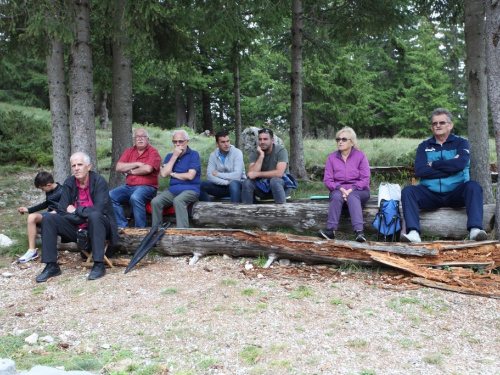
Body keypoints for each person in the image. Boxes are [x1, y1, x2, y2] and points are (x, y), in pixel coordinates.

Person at [400, 108, 487, 243]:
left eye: (441, 122)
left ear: (450, 125)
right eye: (434, 123)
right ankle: (413, 233)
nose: (438, 125)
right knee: (408, 191)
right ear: (431, 127)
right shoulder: (424, 146)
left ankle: (475, 230)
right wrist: (451, 167)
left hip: (455, 193)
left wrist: (433, 164)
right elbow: (420, 171)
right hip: (430, 194)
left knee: (473, 186)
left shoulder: (461, 143)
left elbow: (460, 164)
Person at [35, 152, 119, 282]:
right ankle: (51, 265)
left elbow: (99, 209)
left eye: (80, 164)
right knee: (48, 218)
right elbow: (62, 210)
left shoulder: (99, 181)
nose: (76, 168)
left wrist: (75, 210)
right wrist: (82, 217)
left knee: (95, 216)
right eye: (73, 165)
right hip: (77, 227)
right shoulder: (69, 183)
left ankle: (98, 264)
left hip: (100, 227)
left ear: (89, 166)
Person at [318, 127, 370, 242]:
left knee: (353, 196)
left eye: (344, 139)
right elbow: (328, 180)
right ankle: (331, 231)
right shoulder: (331, 157)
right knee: (336, 196)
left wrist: (351, 189)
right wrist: (340, 188)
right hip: (339, 190)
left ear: (352, 142)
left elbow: (365, 179)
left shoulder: (361, 156)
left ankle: (359, 232)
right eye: (338, 139)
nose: (340, 141)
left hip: (359, 191)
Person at [109, 129, 162, 228]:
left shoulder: (153, 152)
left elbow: (147, 169)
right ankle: (122, 226)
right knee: (110, 195)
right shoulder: (129, 152)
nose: (140, 138)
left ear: (147, 139)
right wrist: (136, 164)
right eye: (137, 136)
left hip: (148, 188)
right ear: (134, 139)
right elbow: (119, 167)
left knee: (136, 197)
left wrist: (130, 171)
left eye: (143, 136)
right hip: (129, 187)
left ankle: (140, 229)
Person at [151, 130, 201, 228]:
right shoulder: (170, 156)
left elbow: (190, 176)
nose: (177, 144)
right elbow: (164, 174)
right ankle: (156, 231)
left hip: (190, 189)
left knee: (178, 201)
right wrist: (174, 156)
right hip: (172, 191)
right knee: (155, 202)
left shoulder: (193, 155)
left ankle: (182, 233)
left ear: (187, 141)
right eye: (175, 142)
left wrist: (173, 174)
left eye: (180, 141)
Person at [16, 171, 63, 262]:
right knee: (32, 220)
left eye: (42, 188)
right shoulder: (49, 191)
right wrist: (29, 210)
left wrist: (56, 211)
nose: (42, 190)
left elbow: (67, 205)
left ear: (48, 184)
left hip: (60, 215)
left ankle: (36, 251)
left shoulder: (63, 190)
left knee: (32, 218)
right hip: (50, 214)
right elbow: (47, 203)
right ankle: (34, 251)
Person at [242, 128, 291, 204]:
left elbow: (279, 173)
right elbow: (251, 174)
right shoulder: (255, 152)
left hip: (281, 187)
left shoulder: (281, 150)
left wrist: (257, 174)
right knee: (247, 182)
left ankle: (282, 211)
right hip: (262, 188)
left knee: (274, 180)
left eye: (265, 139)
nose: (262, 142)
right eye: (260, 139)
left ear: (272, 140)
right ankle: (248, 212)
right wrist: (261, 156)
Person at [199, 130, 246, 203]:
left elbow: (237, 175)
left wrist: (218, 174)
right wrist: (226, 182)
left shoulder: (237, 153)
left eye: (228, 141)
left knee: (234, 183)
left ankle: (235, 212)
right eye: (223, 142)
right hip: (222, 186)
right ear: (217, 144)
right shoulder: (213, 155)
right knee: (200, 185)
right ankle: (209, 210)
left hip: (238, 187)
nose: (226, 144)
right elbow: (209, 176)